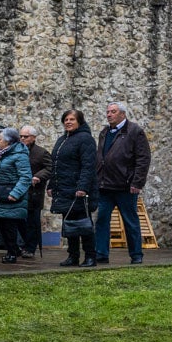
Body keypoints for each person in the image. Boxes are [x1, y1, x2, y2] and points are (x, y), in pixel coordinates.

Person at [94, 101, 152, 265]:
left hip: (125, 186)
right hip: (105, 186)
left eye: (113, 111)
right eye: (108, 111)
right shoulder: (105, 132)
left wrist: (137, 182)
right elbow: (101, 157)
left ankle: (136, 254)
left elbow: (143, 158)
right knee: (102, 220)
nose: (109, 114)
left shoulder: (135, 131)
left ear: (122, 114)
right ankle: (101, 253)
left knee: (130, 221)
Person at [49, 108, 99, 268]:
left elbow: (88, 166)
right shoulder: (62, 139)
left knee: (84, 224)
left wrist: (83, 187)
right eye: (66, 120)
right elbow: (55, 164)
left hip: (78, 190)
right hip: (64, 189)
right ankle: (73, 255)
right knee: (69, 223)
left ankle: (90, 256)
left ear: (79, 121)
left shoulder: (85, 139)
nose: (68, 122)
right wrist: (51, 184)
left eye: (72, 119)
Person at [0, 127, 33, 263]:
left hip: (11, 197)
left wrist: (15, 193)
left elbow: (26, 177)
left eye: (0, 139)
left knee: (9, 227)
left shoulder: (19, 155)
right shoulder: (1, 154)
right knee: (1, 224)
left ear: (8, 142)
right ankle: (14, 249)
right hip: (0, 195)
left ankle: (12, 254)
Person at [18, 126, 52, 259]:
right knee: (19, 220)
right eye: (21, 136)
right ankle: (22, 244)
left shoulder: (41, 153)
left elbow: (50, 168)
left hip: (34, 193)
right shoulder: (18, 151)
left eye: (25, 136)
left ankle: (30, 248)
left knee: (33, 222)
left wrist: (38, 176)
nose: (22, 139)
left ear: (33, 137)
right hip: (19, 192)